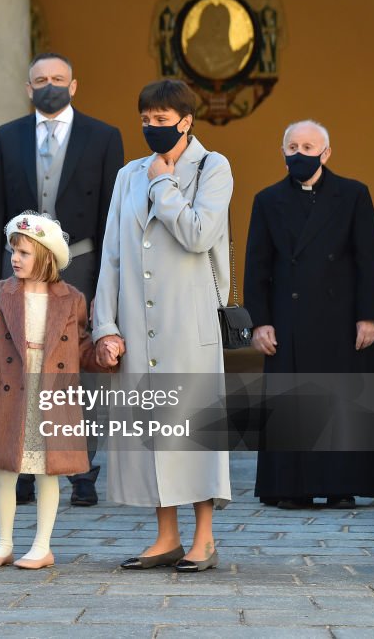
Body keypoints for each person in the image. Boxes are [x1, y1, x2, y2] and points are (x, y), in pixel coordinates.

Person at [92, 78, 232, 573]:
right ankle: (165, 535)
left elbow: (198, 235)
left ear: (186, 120)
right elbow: (111, 254)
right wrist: (104, 324)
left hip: (187, 325)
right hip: (136, 320)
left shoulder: (214, 168)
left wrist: (164, 183)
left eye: (162, 119)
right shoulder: (128, 174)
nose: (153, 127)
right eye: (146, 119)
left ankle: (205, 539)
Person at [244, 119, 374, 509]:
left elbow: (371, 259)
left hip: (342, 320)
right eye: (293, 147)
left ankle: (340, 485)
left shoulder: (353, 195)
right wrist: (259, 322)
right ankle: (291, 488)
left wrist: (369, 316)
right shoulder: (266, 200)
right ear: (283, 152)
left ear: (326, 152)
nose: (300, 154)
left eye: (309, 147)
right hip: (287, 320)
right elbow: (257, 265)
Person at [0, 52, 124, 507]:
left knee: (77, 373)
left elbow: (112, 212)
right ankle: (22, 467)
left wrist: (110, 277)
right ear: (29, 89)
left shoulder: (104, 137)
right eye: (41, 79)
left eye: (59, 78)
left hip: (81, 264)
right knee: (20, 367)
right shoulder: (7, 138)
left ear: (74, 84)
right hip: (21, 268)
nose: (51, 85)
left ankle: (82, 471)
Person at [0, 212, 107, 570]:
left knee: (49, 471)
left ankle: (42, 546)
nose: (15, 258)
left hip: (52, 397)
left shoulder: (72, 299)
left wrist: (105, 355)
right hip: (9, 394)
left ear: (46, 257)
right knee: (5, 470)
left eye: (25, 252)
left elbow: (82, 347)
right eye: (14, 250)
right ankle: (4, 543)